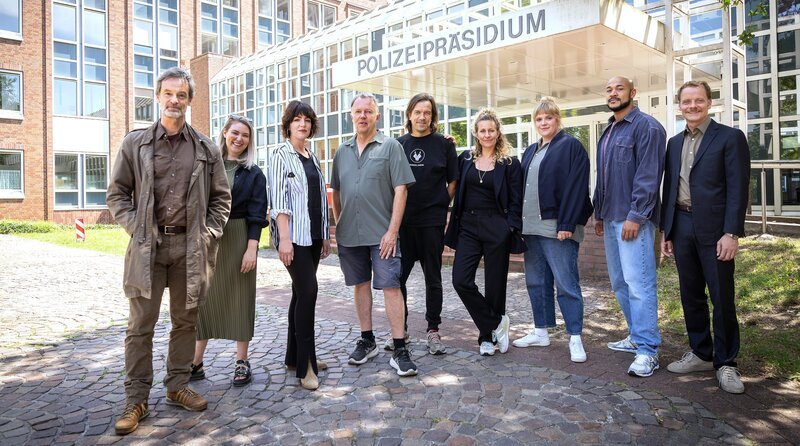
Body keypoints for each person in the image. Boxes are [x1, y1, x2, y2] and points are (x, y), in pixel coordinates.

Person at [106, 67, 231, 435]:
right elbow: (117, 195)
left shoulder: (206, 147)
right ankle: (136, 399)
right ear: (158, 96)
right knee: (140, 325)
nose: (175, 100)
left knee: (185, 321)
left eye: (182, 95)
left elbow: (222, 199)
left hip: (190, 247)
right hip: (148, 246)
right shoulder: (136, 143)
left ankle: (177, 386)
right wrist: (136, 227)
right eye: (169, 93)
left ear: (190, 101)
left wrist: (209, 233)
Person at [660, 80, 750, 394]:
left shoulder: (729, 137)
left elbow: (738, 189)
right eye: (687, 102)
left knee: (722, 296)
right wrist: (667, 231)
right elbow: (670, 188)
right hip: (681, 225)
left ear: (709, 103)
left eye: (699, 101)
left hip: (716, 230)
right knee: (691, 294)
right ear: (679, 105)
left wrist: (731, 232)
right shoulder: (673, 143)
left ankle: (726, 363)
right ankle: (701, 352)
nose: (693, 106)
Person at [330, 93, 418, 376]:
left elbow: (401, 190)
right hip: (350, 235)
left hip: (383, 234)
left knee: (391, 286)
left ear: (376, 116)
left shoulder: (391, 146)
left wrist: (392, 231)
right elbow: (337, 192)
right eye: (358, 111)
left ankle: (399, 346)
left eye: (368, 111)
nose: (363, 116)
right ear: (351, 115)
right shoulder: (341, 150)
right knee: (360, 284)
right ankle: (367, 339)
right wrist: (339, 222)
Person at [593, 76, 666, 377]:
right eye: (609, 89)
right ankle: (636, 336)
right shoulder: (609, 129)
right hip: (611, 217)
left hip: (632, 218)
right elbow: (604, 176)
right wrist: (599, 212)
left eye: (619, 88)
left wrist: (636, 216)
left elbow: (648, 176)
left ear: (633, 93)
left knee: (639, 284)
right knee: (620, 283)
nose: (613, 93)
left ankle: (649, 349)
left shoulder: (647, 127)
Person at [513, 98, 593, 363]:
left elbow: (577, 187)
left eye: (548, 117)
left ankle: (575, 337)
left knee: (567, 284)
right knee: (536, 281)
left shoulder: (570, 146)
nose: (543, 122)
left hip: (558, 228)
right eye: (539, 119)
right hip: (531, 229)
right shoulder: (530, 151)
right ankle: (540, 331)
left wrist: (567, 223)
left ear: (558, 119)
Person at [191, 115, 267, 387]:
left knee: (240, 299)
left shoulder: (254, 173)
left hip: (238, 238)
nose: (239, 139)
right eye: (235, 133)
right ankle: (196, 363)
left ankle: (241, 362)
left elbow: (258, 215)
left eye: (245, 135)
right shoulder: (207, 166)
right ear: (224, 133)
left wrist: (251, 249)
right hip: (208, 239)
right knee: (204, 301)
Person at [444, 108, 522, 357]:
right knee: (461, 280)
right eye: (482, 130)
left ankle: (486, 338)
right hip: (468, 226)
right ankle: (496, 323)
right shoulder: (465, 158)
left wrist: (509, 227)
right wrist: (444, 143)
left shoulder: (510, 164)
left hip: (497, 227)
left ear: (498, 132)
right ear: (475, 133)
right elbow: (449, 177)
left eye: (491, 130)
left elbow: (517, 200)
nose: (487, 134)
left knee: (495, 284)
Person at [387, 93, 458, 356]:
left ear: (432, 116)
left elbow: (453, 180)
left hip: (432, 222)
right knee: (398, 278)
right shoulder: (397, 145)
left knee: (433, 278)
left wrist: (441, 203)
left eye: (427, 112)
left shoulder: (444, 145)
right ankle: (400, 330)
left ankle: (433, 331)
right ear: (409, 115)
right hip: (404, 224)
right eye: (417, 112)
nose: (422, 116)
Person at [267, 101, 332, 390]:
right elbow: (279, 201)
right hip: (293, 238)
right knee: (308, 292)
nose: (302, 124)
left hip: (314, 236)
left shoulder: (312, 156)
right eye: (297, 119)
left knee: (299, 293)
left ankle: (295, 356)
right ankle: (307, 365)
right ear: (288, 124)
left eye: (307, 120)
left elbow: (319, 197)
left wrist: (326, 234)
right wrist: (284, 240)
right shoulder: (281, 154)